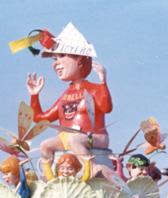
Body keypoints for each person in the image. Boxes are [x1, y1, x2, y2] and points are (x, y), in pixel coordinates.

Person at [28, 23, 113, 171]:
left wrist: (103, 81)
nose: (56, 64)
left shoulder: (93, 89)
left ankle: (92, 169)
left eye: (61, 56)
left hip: (94, 137)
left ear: (80, 59)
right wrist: (34, 95)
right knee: (45, 145)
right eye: (55, 59)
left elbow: (106, 107)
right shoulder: (66, 95)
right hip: (66, 138)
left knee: (75, 140)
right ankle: (48, 177)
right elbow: (40, 119)